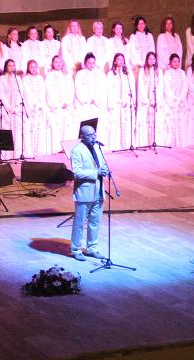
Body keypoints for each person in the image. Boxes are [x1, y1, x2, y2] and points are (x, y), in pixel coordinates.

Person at [70, 125, 108, 261]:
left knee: (95, 222)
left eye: (94, 134)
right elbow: (76, 172)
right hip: (84, 192)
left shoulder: (97, 147)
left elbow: (102, 164)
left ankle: (92, 248)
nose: (94, 137)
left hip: (98, 191)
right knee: (79, 223)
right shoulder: (77, 150)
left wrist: (105, 170)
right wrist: (96, 173)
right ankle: (76, 250)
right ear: (82, 137)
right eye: (90, 135)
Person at [45, 56, 74, 154]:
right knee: (57, 127)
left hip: (66, 106)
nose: (58, 64)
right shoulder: (49, 76)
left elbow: (70, 89)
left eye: (60, 62)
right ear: (52, 64)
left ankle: (66, 147)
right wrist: (58, 104)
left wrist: (67, 102)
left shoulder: (66, 75)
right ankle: (57, 147)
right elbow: (49, 91)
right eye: (56, 62)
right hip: (56, 106)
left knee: (66, 126)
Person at [105, 53, 135, 150]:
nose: (121, 61)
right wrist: (114, 101)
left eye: (122, 59)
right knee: (115, 123)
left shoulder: (127, 73)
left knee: (125, 123)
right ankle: (114, 145)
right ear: (115, 61)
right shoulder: (110, 73)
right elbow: (109, 89)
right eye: (118, 59)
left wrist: (127, 100)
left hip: (125, 102)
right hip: (115, 102)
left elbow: (131, 87)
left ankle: (125, 144)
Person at [0, 59, 24, 156]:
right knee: (6, 130)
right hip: (6, 109)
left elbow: (20, 94)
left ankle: (16, 154)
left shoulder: (17, 78)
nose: (12, 67)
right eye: (9, 65)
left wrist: (15, 108)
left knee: (16, 132)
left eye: (13, 65)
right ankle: (5, 155)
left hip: (15, 109)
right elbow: (1, 94)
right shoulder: (1, 79)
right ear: (6, 67)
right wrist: (8, 107)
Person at [136, 52, 162, 147]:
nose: (152, 61)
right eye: (150, 59)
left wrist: (155, 100)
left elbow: (160, 86)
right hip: (145, 101)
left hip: (154, 100)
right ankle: (144, 142)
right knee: (144, 120)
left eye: (154, 59)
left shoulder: (159, 71)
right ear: (147, 60)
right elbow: (141, 86)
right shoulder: (142, 71)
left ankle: (153, 141)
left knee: (154, 120)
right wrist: (146, 99)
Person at [75, 53, 106, 132]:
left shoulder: (100, 74)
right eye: (89, 63)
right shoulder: (80, 74)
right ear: (85, 63)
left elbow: (103, 88)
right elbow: (78, 89)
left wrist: (97, 100)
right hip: (85, 104)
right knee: (85, 125)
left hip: (97, 104)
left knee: (98, 125)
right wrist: (88, 100)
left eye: (93, 63)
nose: (91, 65)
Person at [162, 53, 188, 147]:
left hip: (180, 101)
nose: (176, 63)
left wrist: (180, 98)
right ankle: (171, 141)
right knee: (171, 121)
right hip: (171, 102)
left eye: (178, 61)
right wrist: (174, 98)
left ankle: (181, 142)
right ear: (170, 62)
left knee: (181, 121)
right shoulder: (167, 73)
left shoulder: (182, 72)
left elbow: (185, 86)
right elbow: (167, 88)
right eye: (174, 61)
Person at [21, 60, 45, 157]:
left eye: (35, 66)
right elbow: (27, 93)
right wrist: (34, 104)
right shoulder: (26, 79)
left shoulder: (40, 78)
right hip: (30, 108)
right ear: (28, 68)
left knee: (39, 129)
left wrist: (40, 104)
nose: (33, 69)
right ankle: (29, 152)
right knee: (30, 129)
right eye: (31, 67)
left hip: (39, 107)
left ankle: (37, 151)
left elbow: (43, 92)